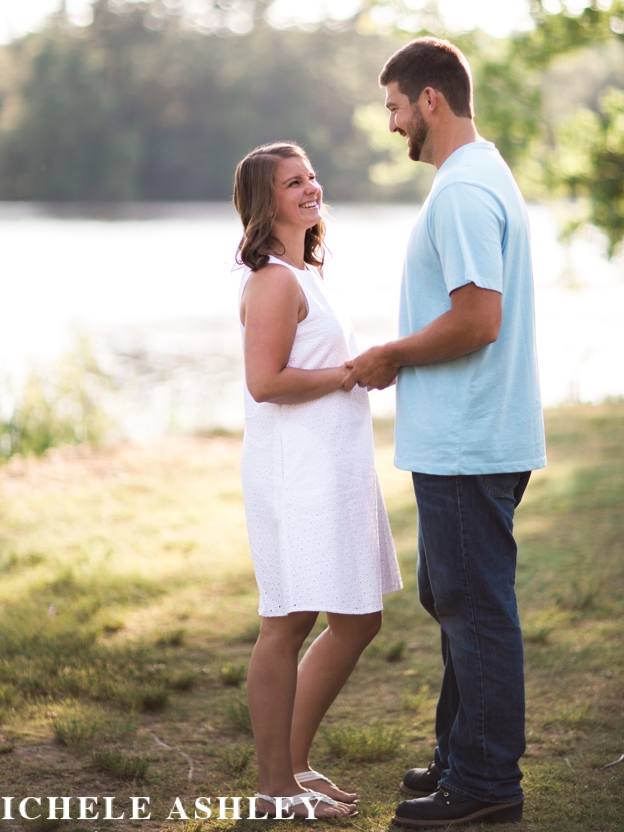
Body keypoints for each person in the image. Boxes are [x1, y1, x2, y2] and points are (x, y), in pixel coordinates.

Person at [344, 37, 544, 827]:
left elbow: (476, 319)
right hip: (472, 435)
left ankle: (487, 786)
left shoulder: (461, 192)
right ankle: (462, 759)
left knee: (475, 607)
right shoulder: (476, 176)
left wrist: (390, 354)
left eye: (395, 106)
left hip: (468, 440)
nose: (392, 123)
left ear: (431, 98)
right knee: (455, 598)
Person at [233, 141, 403, 820]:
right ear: (264, 202)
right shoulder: (273, 279)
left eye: (310, 176)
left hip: (334, 469)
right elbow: (265, 381)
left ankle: (294, 766)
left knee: (358, 618)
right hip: (295, 474)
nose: (310, 188)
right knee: (288, 619)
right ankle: (274, 789)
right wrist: (352, 373)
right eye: (291, 182)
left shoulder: (306, 274)